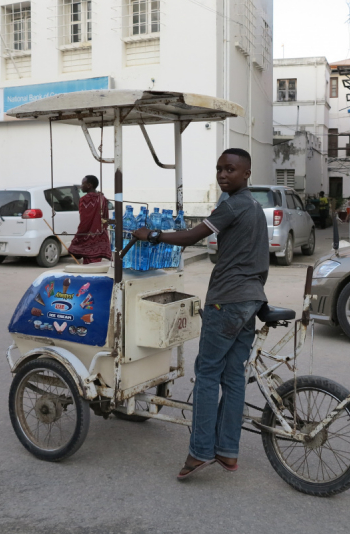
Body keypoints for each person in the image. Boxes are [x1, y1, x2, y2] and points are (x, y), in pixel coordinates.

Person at [133, 148, 269, 480]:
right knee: (234, 376)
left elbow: (194, 236)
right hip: (251, 299)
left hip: (227, 301)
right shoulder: (254, 207)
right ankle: (227, 451)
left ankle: (200, 452)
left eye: (231, 170)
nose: (224, 175)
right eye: (220, 169)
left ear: (247, 174)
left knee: (208, 374)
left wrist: (152, 235)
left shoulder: (233, 204)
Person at [68, 175, 112, 264]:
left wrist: (78, 236)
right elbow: (106, 219)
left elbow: (85, 221)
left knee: (89, 267)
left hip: (89, 237)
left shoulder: (85, 200)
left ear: (89, 185)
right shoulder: (103, 198)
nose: (81, 186)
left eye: (83, 184)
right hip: (100, 238)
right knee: (97, 266)